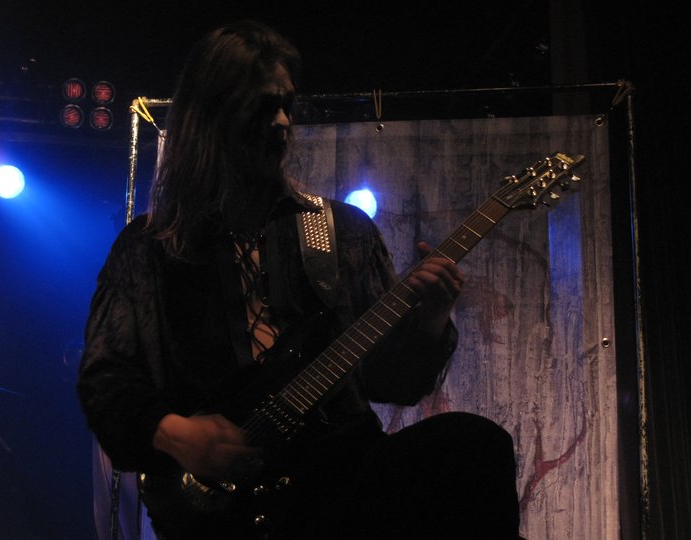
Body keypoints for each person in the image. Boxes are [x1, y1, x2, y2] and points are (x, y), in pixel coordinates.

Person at [77, 20, 522, 540]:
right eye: (264, 107)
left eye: (288, 105)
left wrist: (429, 321)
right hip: (224, 507)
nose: (283, 122)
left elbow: (391, 383)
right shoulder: (150, 247)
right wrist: (177, 435)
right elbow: (105, 382)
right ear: (213, 114)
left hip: (343, 481)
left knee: (475, 444)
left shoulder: (339, 231)